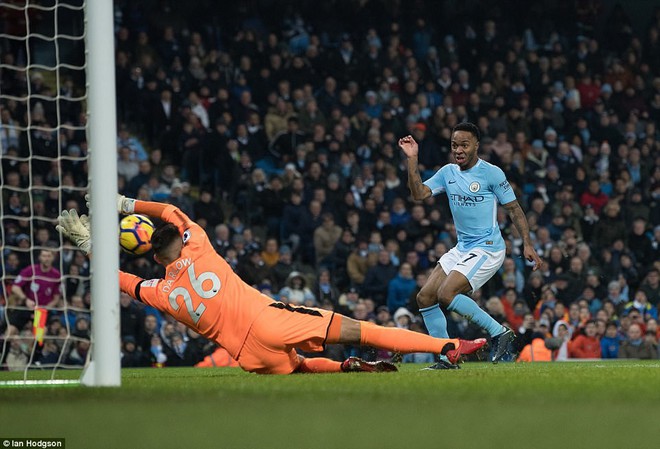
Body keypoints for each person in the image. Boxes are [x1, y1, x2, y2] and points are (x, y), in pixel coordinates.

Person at [55, 196, 487, 375]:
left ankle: (343, 369)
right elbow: (171, 211)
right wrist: (126, 203)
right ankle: (446, 346)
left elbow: (124, 282)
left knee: (298, 370)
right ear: (176, 241)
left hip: (246, 355)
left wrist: (92, 245)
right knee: (364, 330)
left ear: (152, 256)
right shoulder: (199, 246)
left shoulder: (160, 292)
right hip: (269, 321)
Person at [399, 122, 543, 368]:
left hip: (488, 248)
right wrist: (413, 159)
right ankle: (447, 358)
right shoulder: (448, 173)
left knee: (446, 294)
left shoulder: (492, 173)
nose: (458, 150)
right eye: (455, 145)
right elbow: (419, 194)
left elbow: (514, 209)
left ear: (476, 145)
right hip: (463, 247)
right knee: (425, 298)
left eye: (464, 145)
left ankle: (500, 333)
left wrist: (527, 244)